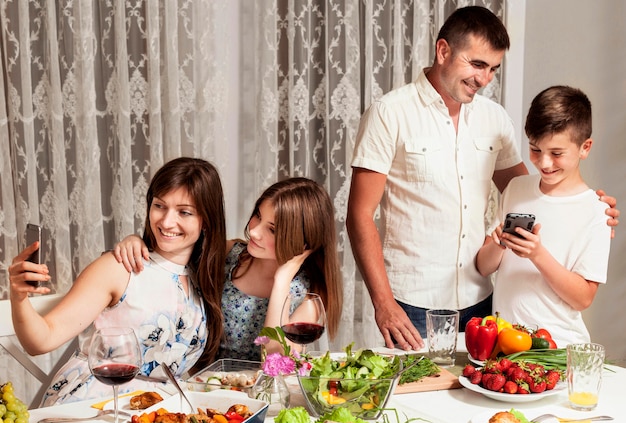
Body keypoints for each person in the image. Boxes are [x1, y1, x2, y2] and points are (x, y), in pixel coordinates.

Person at [346, 5, 619, 351]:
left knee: (476, 401)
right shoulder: (389, 114)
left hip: (483, 303)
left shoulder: (495, 119)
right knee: (416, 403)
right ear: (443, 50)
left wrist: (592, 207)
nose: (485, 79)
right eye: (477, 64)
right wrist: (384, 303)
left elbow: (533, 193)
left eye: (493, 69)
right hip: (413, 305)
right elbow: (359, 215)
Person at [8, 157, 227, 405]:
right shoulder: (119, 268)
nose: (166, 222)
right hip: (89, 409)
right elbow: (40, 341)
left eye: (184, 212)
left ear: (206, 221)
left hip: (155, 418)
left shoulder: (202, 277)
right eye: (159, 206)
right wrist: (19, 296)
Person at [114, 177, 343, 361]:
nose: (254, 231)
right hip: (202, 384)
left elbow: (275, 360)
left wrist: (282, 280)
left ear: (302, 240)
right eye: (258, 216)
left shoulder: (310, 296)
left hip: (259, 397)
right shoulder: (230, 254)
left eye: (271, 229)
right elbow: (170, 246)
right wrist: (136, 241)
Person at [475, 85, 611, 346]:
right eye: (535, 149)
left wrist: (537, 254)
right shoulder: (517, 188)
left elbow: (583, 298)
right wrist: (499, 243)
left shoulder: (596, 211)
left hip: (557, 348)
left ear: (585, 147)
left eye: (557, 153)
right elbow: (483, 266)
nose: (544, 163)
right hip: (504, 344)